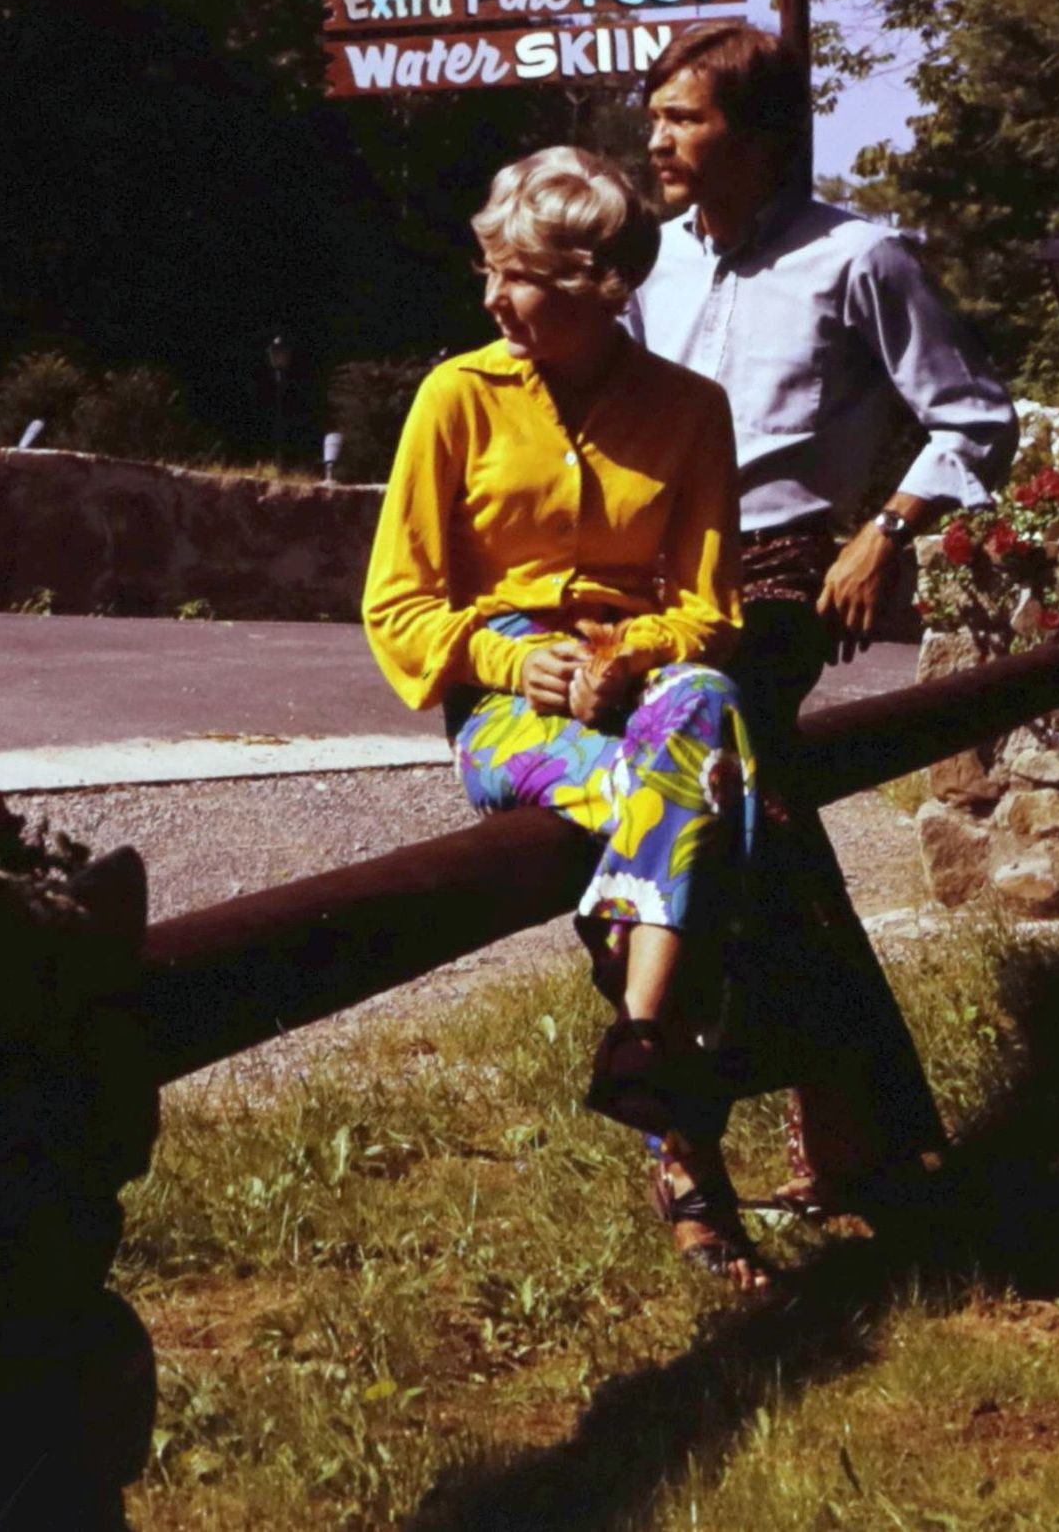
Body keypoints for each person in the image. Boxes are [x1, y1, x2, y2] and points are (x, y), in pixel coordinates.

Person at [364, 144, 791, 1290]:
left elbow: (709, 610)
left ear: (600, 286)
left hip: (649, 695)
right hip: (508, 710)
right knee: (710, 807)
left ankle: (641, 1042)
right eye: (488, 269)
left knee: (709, 705)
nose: (492, 297)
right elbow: (397, 606)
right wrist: (522, 663)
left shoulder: (690, 411)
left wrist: (624, 652)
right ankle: (682, 1133)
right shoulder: (454, 397)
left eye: (520, 276)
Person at [631, 19, 1019, 1213]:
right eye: (654, 118)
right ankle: (869, 1134)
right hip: (662, 575)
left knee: (716, 788)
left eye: (683, 119)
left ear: (757, 137)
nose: (656, 140)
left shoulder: (861, 257)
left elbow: (976, 419)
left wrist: (886, 529)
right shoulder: (649, 263)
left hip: (791, 569)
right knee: (762, 832)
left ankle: (689, 1128)